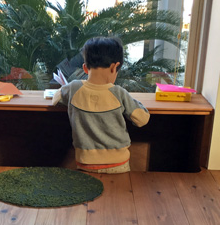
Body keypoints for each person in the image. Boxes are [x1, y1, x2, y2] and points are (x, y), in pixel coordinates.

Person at [52, 36, 150, 173]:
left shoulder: (73, 88)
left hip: (85, 163)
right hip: (118, 164)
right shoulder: (119, 93)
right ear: (114, 67)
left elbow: (55, 99)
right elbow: (142, 119)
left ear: (85, 68)